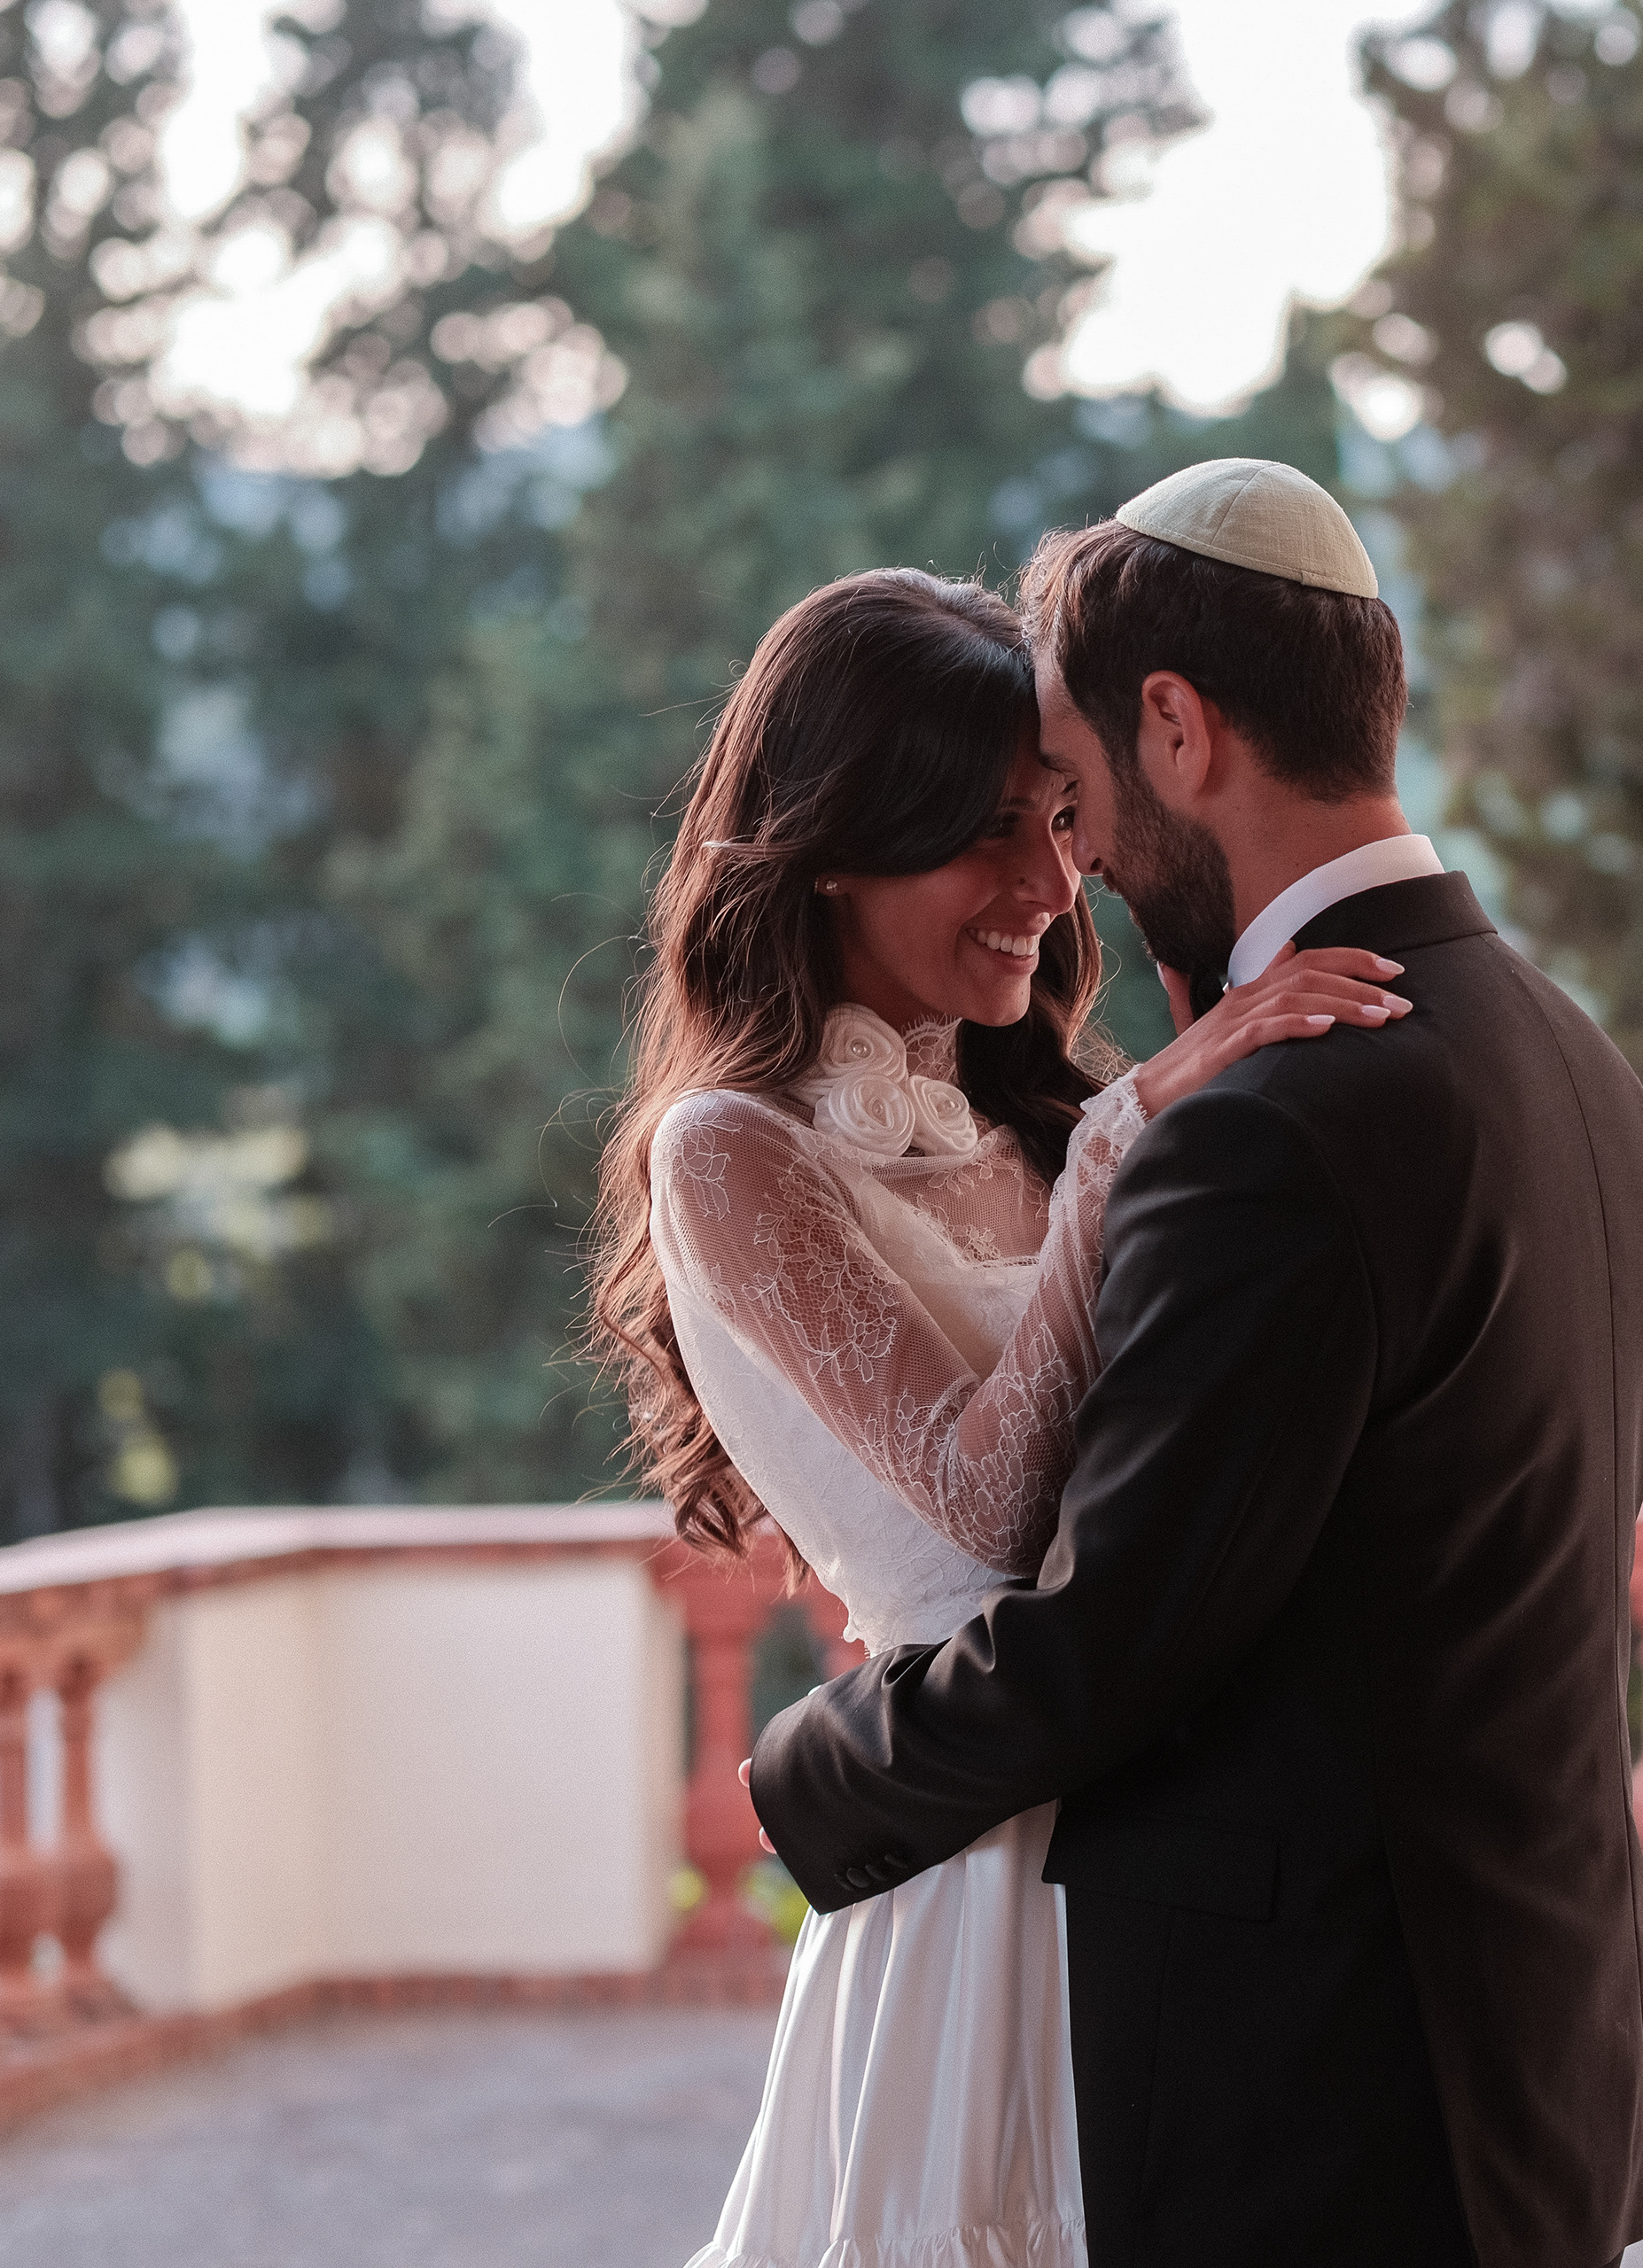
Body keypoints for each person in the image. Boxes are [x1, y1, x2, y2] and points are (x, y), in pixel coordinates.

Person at [748, 460, 1643, 2268]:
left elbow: (1116, 1639)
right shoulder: (1565, 1052)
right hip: (1533, 2062)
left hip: (1329, 2095)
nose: (1077, 865)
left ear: (1177, 728)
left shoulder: (1278, 1120)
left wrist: (811, 1769)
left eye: (1076, 791)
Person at [583, 565, 1411, 2268]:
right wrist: (1129, 1145)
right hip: (972, 1864)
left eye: (1057, 818)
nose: (1049, 884)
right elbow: (987, 1512)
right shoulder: (730, 1151)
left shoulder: (1028, 1110)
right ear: (831, 844)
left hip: (1156, 1846)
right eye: (984, 834)